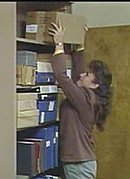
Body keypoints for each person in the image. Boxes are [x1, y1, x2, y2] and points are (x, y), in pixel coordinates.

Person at [48, 20, 113, 179]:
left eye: (88, 74)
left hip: (79, 165)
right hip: (79, 162)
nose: (83, 74)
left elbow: (62, 77)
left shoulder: (86, 99)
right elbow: (78, 75)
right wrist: (79, 45)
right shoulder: (89, 96)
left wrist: (59, 45)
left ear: (95, 85)